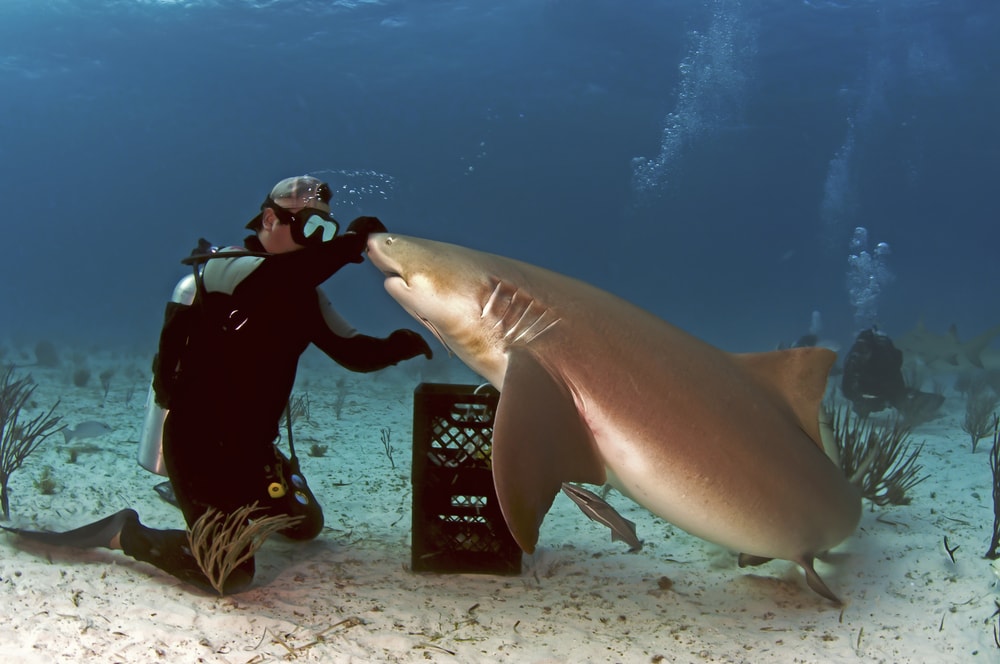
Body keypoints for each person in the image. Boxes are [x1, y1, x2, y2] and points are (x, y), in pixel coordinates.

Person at [3, 175, 432, 593]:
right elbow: (279, 278)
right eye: (307, 227)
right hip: (197, 450)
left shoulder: (304, 295)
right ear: (268, 220)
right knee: (228, 572)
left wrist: (402, 344)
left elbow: (354, 353)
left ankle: (212, 503)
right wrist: (353, 242)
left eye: (325, 230)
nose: (316, 240)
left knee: (306, 527)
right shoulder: (224, 272)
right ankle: (124, 532)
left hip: (253, 452)